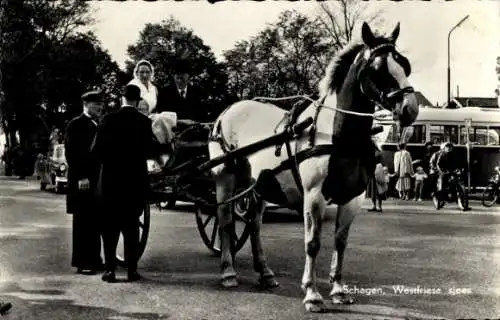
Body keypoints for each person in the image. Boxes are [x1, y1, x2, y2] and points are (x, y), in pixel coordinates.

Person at [91, 84, 162, 283]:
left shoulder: (107, 120)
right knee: (131, 228)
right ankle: (132, 270)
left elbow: (96, 152)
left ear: (122, 99)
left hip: (111, 183)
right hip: (135, 183)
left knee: (110, 229)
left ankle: (110, 270)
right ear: (138, 101)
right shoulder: (144, 122)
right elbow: (150, 151)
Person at [64, 91, 104, 275]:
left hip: (96, 179)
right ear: (86, 104)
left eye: (100, 104)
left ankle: (95, 260)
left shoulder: (98, 123)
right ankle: (82, 262)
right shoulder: (76, 124)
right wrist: (81, 177)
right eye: (96, 104)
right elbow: (71, 153)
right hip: (82, 180)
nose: (99, 107)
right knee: (82, 222)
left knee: (95, 220)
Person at [156, 60, 211, 126]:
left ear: (188, 77)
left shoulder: (198, 93)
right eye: (177, 78)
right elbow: (162, 117)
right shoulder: (164, 93)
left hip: (194, 130)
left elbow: (203, 115)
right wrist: (180, 121)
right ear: (174, 77)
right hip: (172, 131)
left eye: (182, 78)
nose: (179, 81)